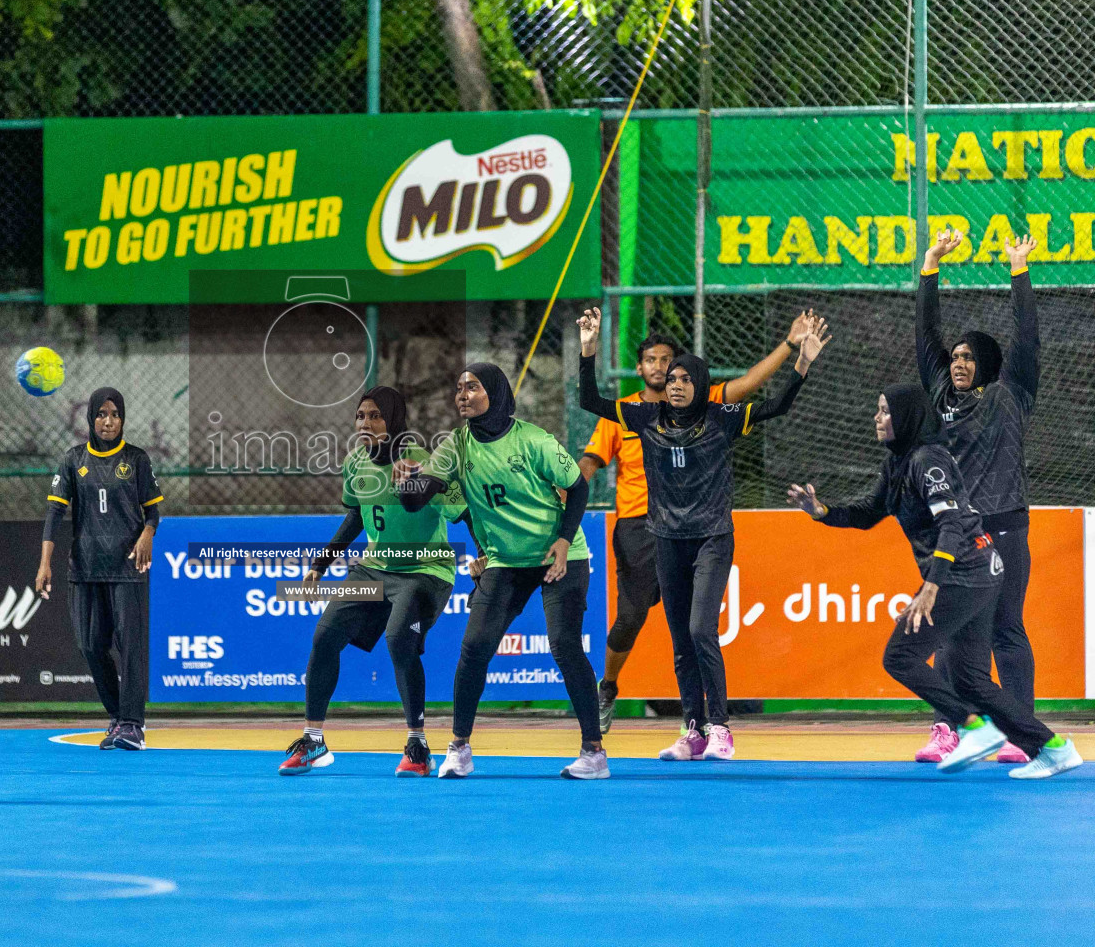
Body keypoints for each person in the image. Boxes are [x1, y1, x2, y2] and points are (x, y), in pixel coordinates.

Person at [787, 384, 1081, 779]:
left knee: (900, 657)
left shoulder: (929, 461)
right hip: (973, 572)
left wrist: (931, 586)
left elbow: (952, 524)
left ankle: (972, 727)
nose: (877, 418)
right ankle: (1053, 748)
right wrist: (822, 511)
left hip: (966, 573)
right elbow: (870, 512)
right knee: (970, 678)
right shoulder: (898, 463)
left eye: (884, 411)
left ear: (906, 417)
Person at [577, 306, 827, 762]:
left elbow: (778, 404)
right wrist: (588, 350)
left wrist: (802, 362)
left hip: (711, 538)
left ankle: (721, 729)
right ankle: (691, 729)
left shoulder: (721, 418)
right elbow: (589, 399)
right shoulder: (643, 417)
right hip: (665, 539)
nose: (673, 384)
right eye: (669, 378)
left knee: (700, 631)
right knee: (679, 638)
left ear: (700, 383)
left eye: (682, 378)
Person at [396, 363, 606, 780]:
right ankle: (459, 748)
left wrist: (564, 541)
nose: (462, 395)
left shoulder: (533, 440)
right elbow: (417, 502)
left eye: (472, 387)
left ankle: (594, 753)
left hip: (558, 556)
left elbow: (578, 486)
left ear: (495, 392)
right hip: (506, 562)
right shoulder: (455, 445)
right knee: (474, 647)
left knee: (564, 645)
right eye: (458, 389)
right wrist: (407, 481)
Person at [279, 387, 468, 778]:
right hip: (373, 569)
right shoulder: (355, 463)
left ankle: (418, 745)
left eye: (376, 416)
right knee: (324, 636)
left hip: (423, 570)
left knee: (400, 640)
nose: (366, 423)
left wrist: (483, 554)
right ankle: (314, 740)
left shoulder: (418, 459)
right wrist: (321, 563)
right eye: (361, 416)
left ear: (395, 419)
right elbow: (357, 517)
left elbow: (459, 511)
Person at [912, 230, 1041, 764]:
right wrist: (930, 265)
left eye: (968, 357)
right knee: (950, 632)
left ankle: (1020, 731)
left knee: (1006, 629)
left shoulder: (1012, 393)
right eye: (955, 356)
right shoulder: (941, 395)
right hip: (960, 536)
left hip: (1006, 529)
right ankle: (948, 729)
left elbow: (1028, 338)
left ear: (985, 363)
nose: (958, 362)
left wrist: (1018, 269)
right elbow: (926, 336)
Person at [36, 388, 162, 751]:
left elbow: (152, 511)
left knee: (131, 646)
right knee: (90, 645)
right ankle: (118, 715)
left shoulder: (136, 460)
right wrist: (45, 563)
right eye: (102, 414)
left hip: (127, 567)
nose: (109, 421)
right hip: (86, 568)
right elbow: (54, 514)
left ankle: (133, 725)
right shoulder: (73, 460)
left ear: (123, 419)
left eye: (115, 415)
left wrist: (147, 534)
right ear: (91, 419)